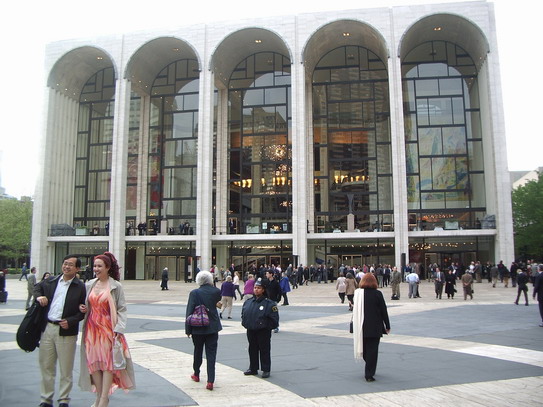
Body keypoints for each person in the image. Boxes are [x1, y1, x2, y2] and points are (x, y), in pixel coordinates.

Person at [78, 252, 135, 407]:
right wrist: (82, 308)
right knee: (94, 364)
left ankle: (104, 399)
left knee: (108, 364)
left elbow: (122, 309)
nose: (96, 269)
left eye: (99, 266)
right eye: (95, 266)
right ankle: (98, 396)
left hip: (108, 329)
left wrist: (119, 328)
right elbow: (85, 304)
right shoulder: (89, 284)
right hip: (91, 329)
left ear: (108, 268)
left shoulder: (116, 286)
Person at [34, 254, 87, 407]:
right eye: (65, 263)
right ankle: (46, 399)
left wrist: (70, 321)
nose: (66, 267)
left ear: (77, 269)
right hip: (48, 328)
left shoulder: (80, 287)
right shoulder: (50, 281)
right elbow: (36, 288)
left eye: (71, 265)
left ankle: (64, 399)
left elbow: (83, 310)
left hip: (66, 332)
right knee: (46, 366)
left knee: (66, 368)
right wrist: (39, 297)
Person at [185, 270, 222, 391]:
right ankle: (210, 380)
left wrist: (188, 329)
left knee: (198, 351)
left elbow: (189, 311)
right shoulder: (216, 291)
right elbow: (217, 304)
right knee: (211, 354)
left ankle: (196, 374)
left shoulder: (194, 293)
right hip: (212, 327)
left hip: (198, 327)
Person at [352, 272, 390, 382]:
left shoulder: (358, 294)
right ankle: (369, 373)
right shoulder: (377, 294)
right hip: (375, 326)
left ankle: (369, 365)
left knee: (364, 350)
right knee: (373, 351)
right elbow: (384, 311)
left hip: (361, 326)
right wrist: (387, 325)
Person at [241, 278, 279, 378]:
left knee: (264, 350)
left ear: (263, 290)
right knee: (252, 349)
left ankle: (266, 369)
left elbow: (274, 320)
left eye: (259, 288)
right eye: (255, 288)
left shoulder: (269, 304)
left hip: (263, 331)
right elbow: (244, 314)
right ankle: (253, 368)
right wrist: (245, 323)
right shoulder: (249, 302)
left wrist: (265, 326)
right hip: (251, 329)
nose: (256, 290)